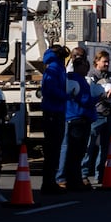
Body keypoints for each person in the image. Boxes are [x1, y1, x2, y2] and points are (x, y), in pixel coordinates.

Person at [83, 50, 111, 184]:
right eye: (104, 61)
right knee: (89, 145)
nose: (106, 64)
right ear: (97, 61)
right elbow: (91, 94)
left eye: (108, 61)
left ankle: (100, 175)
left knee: (106, 147)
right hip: (96, 114)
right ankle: (83, 175)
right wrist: (107, 94)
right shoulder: (91, 76)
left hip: (110, 114)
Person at [62, 51, 99, 191]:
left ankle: (72, 179)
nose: (87, 69)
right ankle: (74, 181)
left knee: (74, 151)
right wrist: (99, 98)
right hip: (78, 118)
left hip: (73, 118)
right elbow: (85, 100)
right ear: (78, 67)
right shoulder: (79, 81)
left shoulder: (69, 79)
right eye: (85, 66)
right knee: (77, 152)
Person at [38, 44, 67, 194]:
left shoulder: (54, 67)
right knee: (53, 148)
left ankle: (50, 181)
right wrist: (66, 95)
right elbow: (50, 89)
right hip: (54, 111)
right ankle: (48, 182)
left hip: (53, 110)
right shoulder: (56, 68)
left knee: (53, 148)